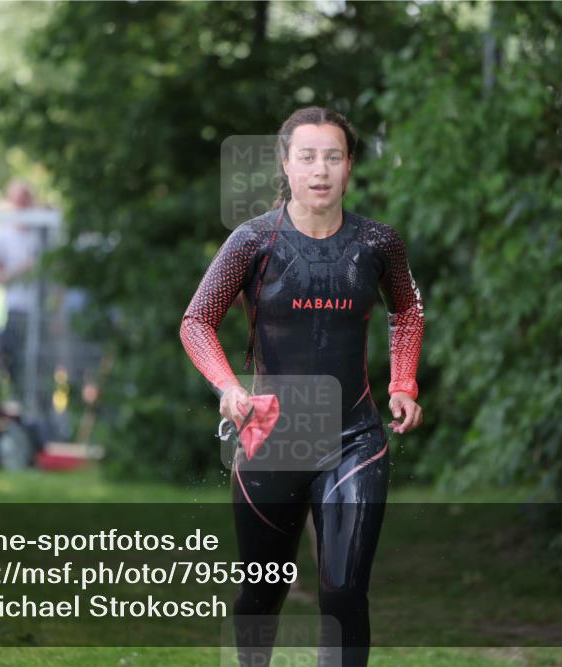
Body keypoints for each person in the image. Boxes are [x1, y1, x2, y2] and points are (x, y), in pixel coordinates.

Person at [180, 107, 425, 666]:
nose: (321, 170)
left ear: (350, 167)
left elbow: (407, 309)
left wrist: (403, 381)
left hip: (355, 436)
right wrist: (226, 385)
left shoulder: (379, 243)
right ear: (285, 164)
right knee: (263, 593)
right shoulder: (251, 242)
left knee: (343, 591)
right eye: (308, 156)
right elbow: (196, 321)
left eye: (333, 157)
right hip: (275, 438)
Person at [0, 179, 41, 401]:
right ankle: (17, 401)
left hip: (42, 312)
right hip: (16, 309)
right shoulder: (2, 235)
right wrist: (22, 269)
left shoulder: (42, 233)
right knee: (15, 363)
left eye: (25, 199)